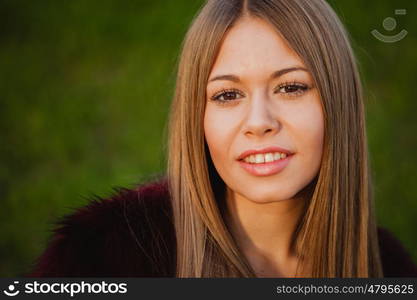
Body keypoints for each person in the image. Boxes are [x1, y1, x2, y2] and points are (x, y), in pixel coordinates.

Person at [27, 0, 417, 277]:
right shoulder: (103, 258)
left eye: (291, 87)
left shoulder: (386, 269)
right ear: (197, 117)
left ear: (339, 103)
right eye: (228, 95)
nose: (259, 122)